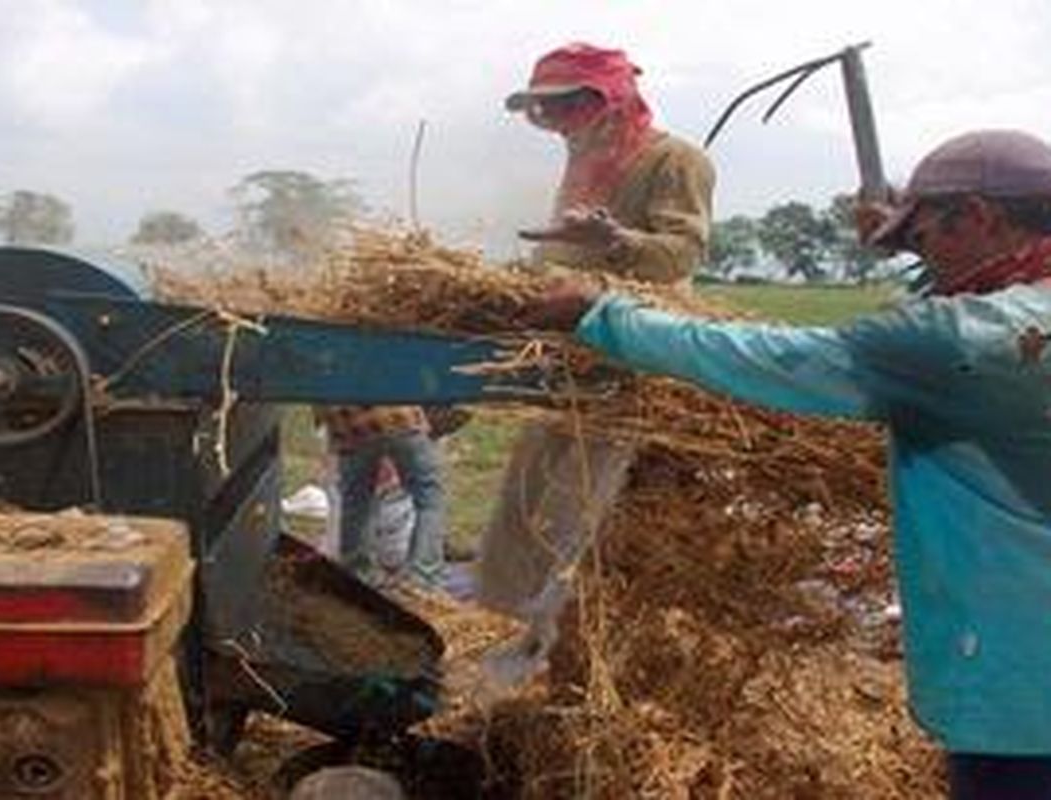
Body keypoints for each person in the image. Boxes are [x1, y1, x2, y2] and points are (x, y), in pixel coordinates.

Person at [522, 129, 1051, 799]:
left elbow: (771, 357)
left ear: (978, 217)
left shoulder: (960, 342)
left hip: (1022, 684)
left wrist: (604, 316)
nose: (926, 261)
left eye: (927, 237)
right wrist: (912, 233)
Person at [478, 42, 715, 668]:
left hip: (628, 360)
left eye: (561, 108)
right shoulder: (584, 163)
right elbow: (564, 255)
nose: (552, 124)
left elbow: (681, 256)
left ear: (605, 101)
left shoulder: (675, 159)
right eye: (543, 112)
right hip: (567, 363)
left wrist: (614, 237)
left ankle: (559, 650)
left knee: (575, 513)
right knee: (526, 503)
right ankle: (526, 636)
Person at [317, 404, 446, 589]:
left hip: (348, 425)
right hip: (399, 418)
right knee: (430, 499)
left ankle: (357, 574)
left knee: (356, 501)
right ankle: (423, 577)